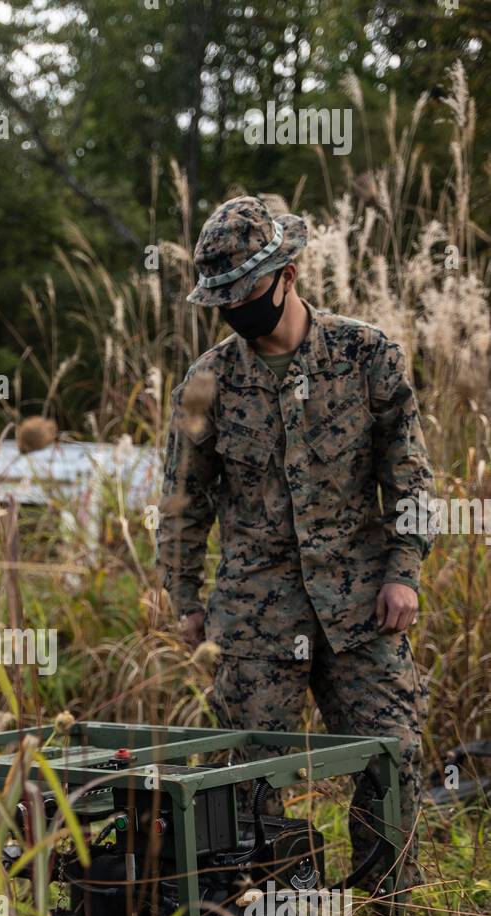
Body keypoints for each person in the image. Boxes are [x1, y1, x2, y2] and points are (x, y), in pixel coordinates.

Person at [157, 195, 434, 881]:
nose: (233, 309)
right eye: (220, 298)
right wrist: (184, 598)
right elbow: (180, 502)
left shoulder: (366, 354)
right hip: (254, 614)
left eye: (243, 292)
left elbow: (408, 477)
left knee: (391, 764)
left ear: (287, 273)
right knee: (240, 784)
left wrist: (404, 572)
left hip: (362, 603)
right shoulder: (208, 382)